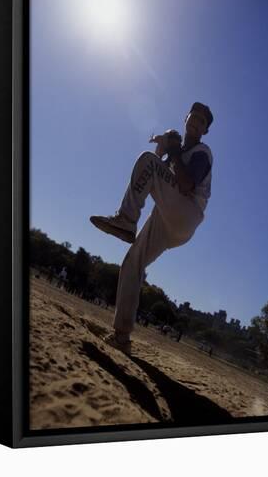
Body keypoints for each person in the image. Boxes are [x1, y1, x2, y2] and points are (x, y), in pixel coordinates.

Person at [90, 101, 214, 355]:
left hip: (186, 211)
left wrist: (173, 150)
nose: (196, 121)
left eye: (202, 121)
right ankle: (122, 336)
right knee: (132, 263)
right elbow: (156, 172)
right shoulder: (178, 151)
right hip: (167, 217)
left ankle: (126, 219)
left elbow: (187, 184)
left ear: (205, 130)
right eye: (194, 116)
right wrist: (165, 147)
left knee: (146, 160)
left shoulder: (203, 151)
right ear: (186, 118)